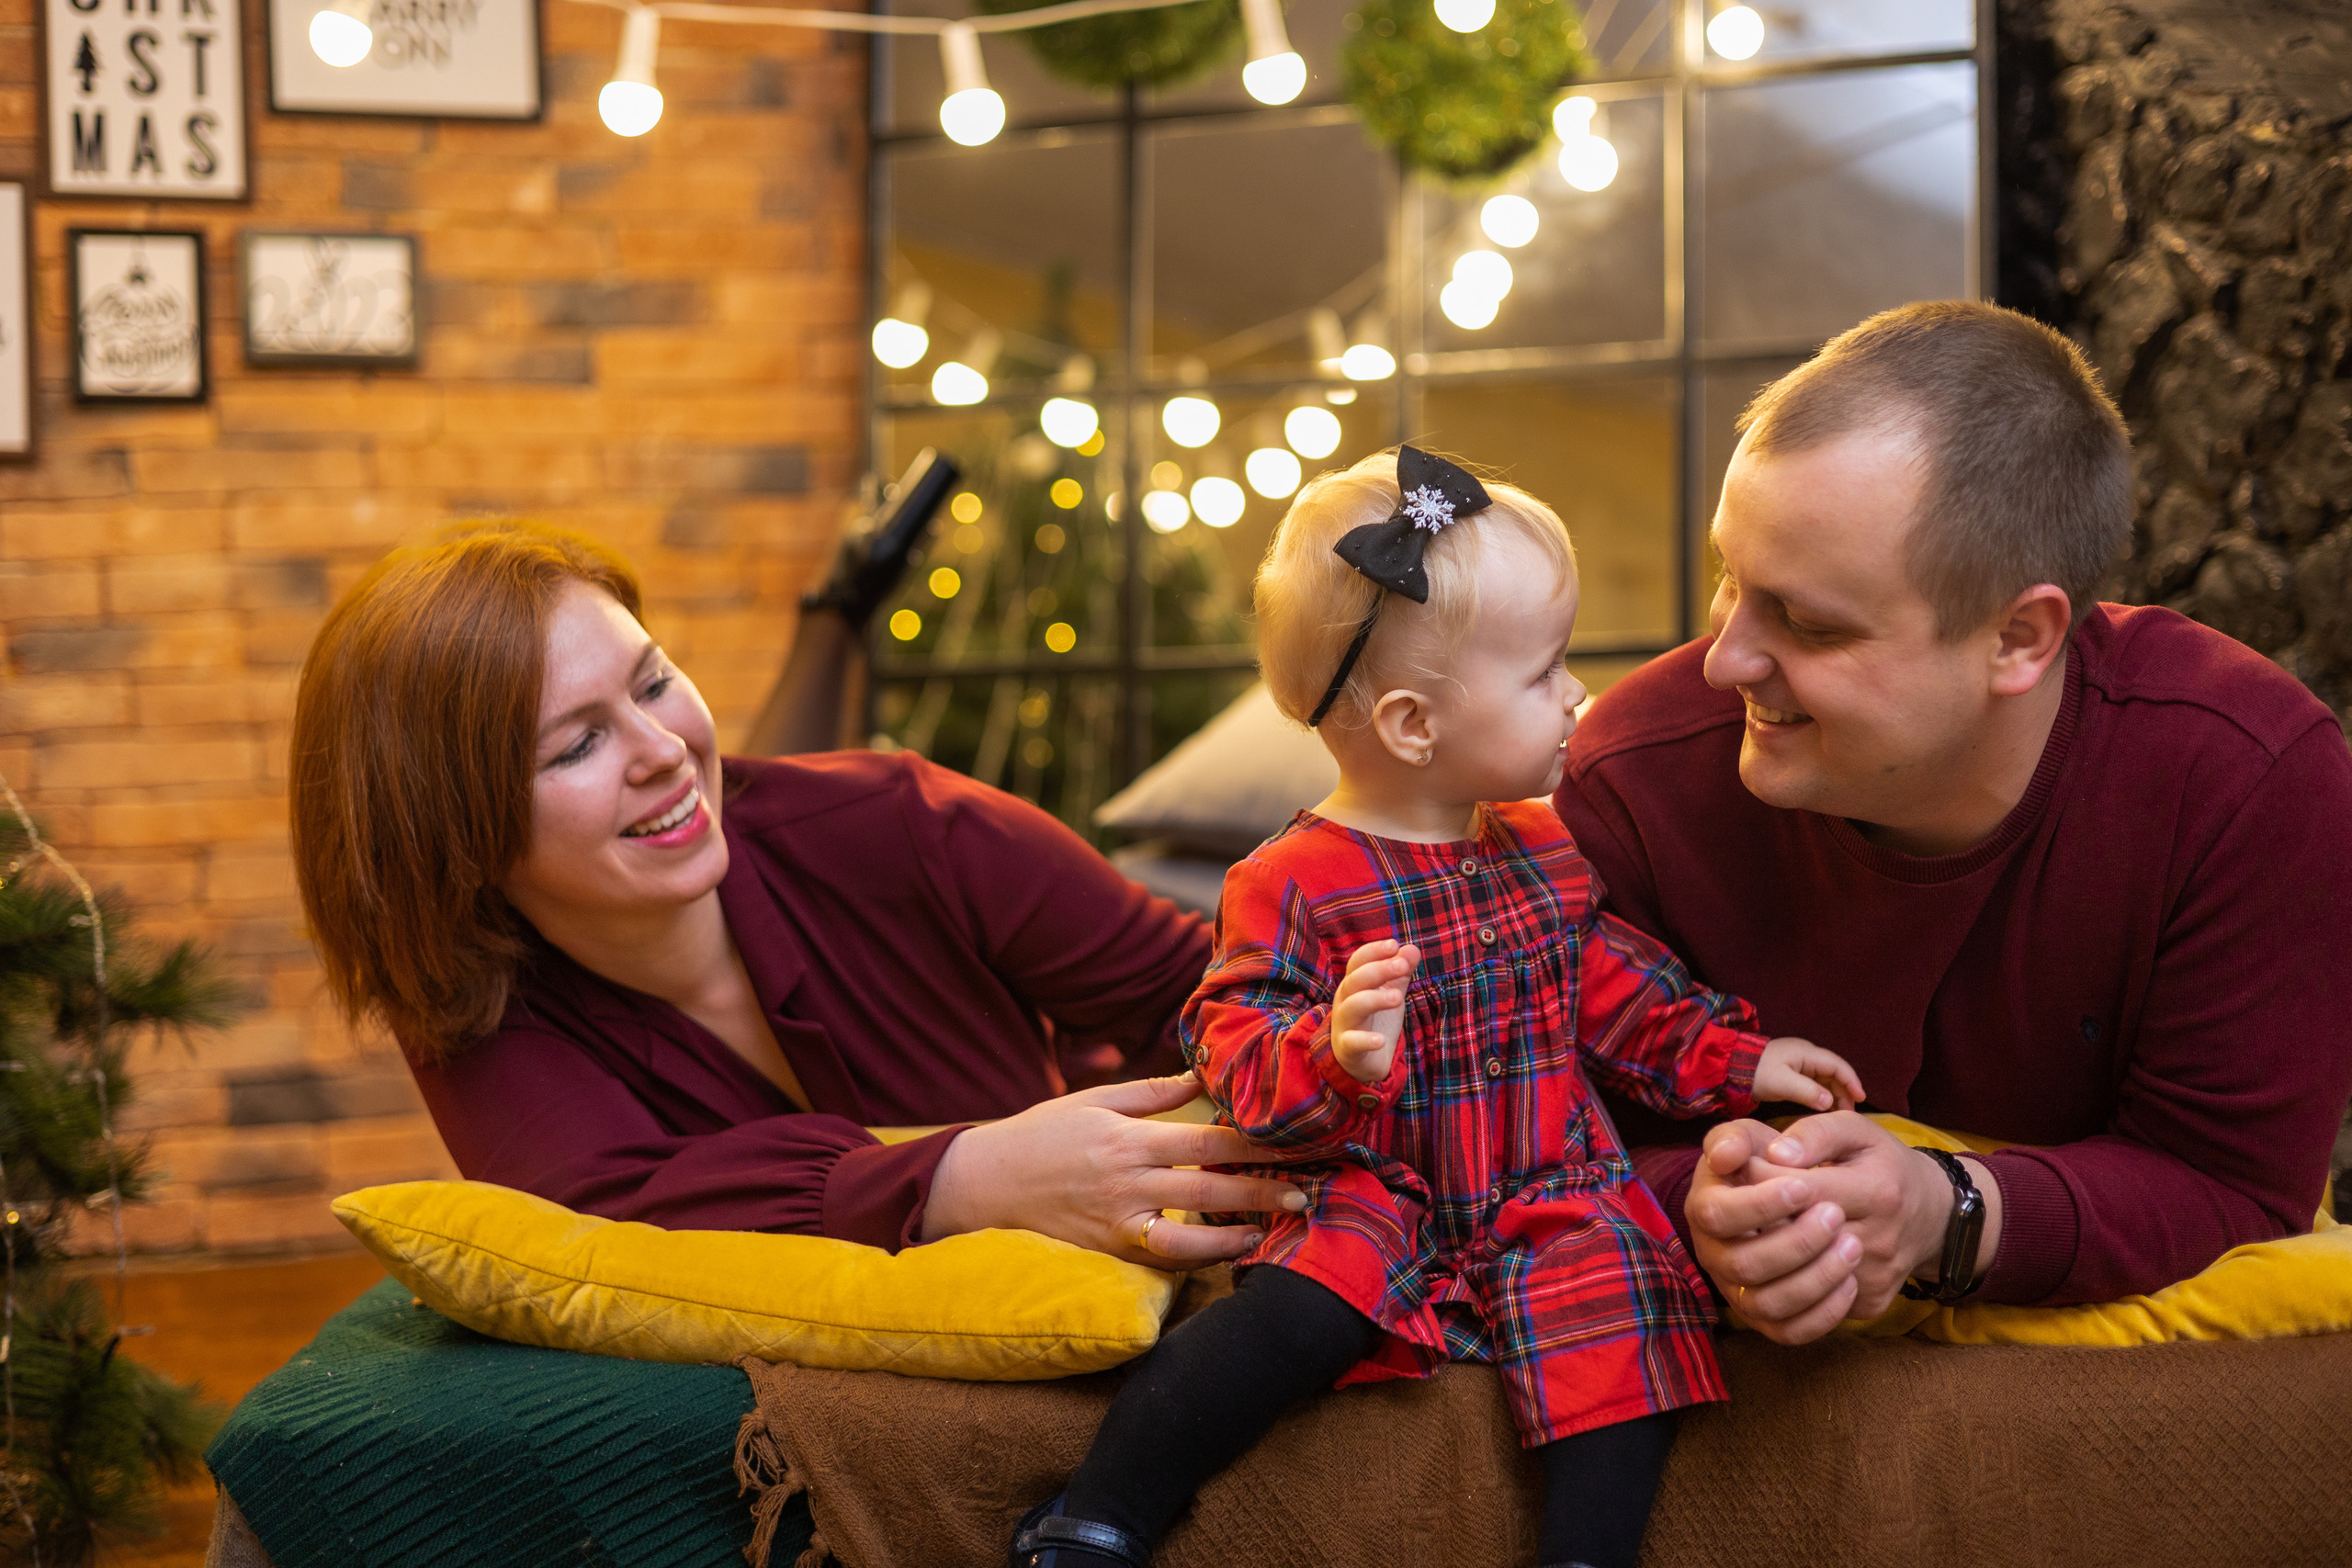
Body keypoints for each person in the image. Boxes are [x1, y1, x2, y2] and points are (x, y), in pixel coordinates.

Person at [1012, 450, 1863, 1568]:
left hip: (1543, 1181)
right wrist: (1330, 1055)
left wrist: (1737, 1059)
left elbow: (1610, 991)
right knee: (1290, 1310)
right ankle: (1101, 1514)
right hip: (1377, 1185)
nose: (1576, 696)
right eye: (1544, 671)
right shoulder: (1292, 882)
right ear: (1413, 724)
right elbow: (1230, 1045)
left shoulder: (1544, 850)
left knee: (1619, 1297)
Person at [1556, 299, 2352, 1345]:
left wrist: (1949, 1213)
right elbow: (1538, 1136)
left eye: (1806, 621)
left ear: (2017, 639)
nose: (1724, 660)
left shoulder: (2247, 778)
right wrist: (1695, 1212)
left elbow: (2234, 1186)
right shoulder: (1629, 777)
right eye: (1729, 580)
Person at [286, 522, 1312, 1269]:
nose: (664, 753)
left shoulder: (900, 824)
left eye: (651, 684)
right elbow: (612, 1220)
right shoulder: (469, 1002)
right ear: (455, 834)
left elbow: (1223, 994)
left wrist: (1131, 1142)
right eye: (578, 743)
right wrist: (970, 1176)